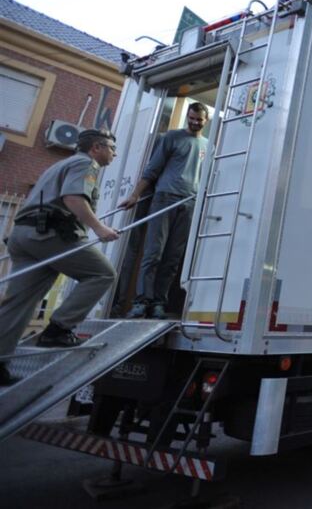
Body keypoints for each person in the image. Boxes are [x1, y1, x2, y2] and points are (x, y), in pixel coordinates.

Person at [0, 130, 120, 386]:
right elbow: (73, 198)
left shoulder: (59, 165)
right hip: (50, 235)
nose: (114, 153)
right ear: (97, 147)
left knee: (18, 304)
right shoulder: (86, 163)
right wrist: (99, 228)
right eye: (111, 147)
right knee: (102, 273)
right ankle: (58, 330)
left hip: (24, 236)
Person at [120, 103, 209, 319]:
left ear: (205, 121)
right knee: (153, 253)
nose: (195, 122)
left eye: (199, 119)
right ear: (187, 116)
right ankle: (141, 301)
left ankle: (158, 302)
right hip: (164, 198)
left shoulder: (208, 145)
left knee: (173, 258)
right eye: (192, 118)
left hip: (189, 202)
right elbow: (153, 169)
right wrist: (135, 195)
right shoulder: (171, 138)